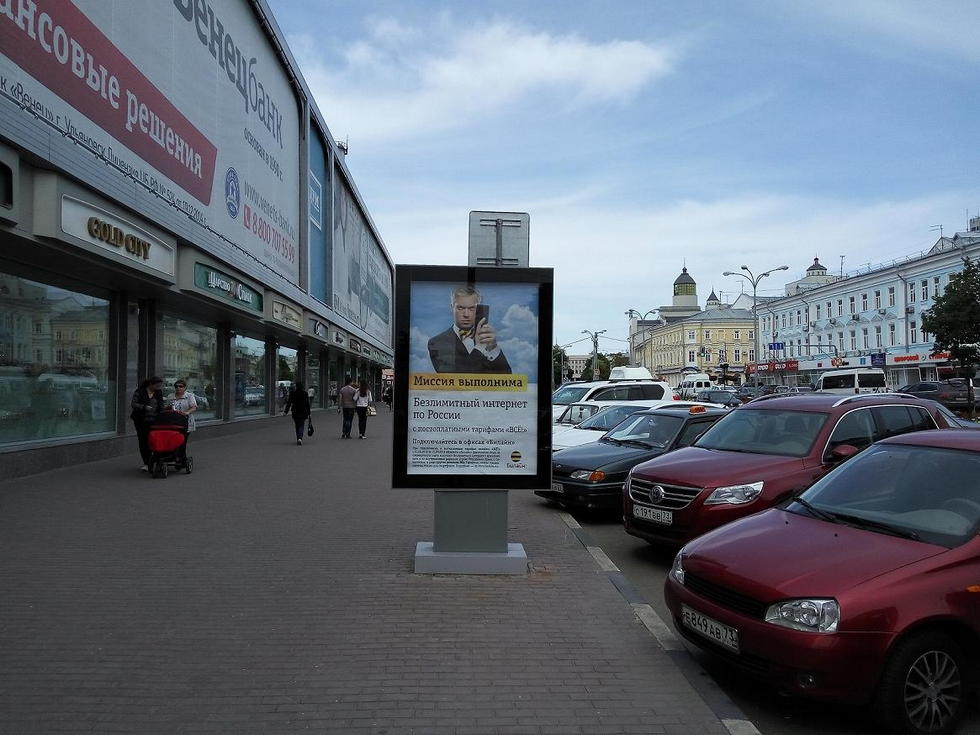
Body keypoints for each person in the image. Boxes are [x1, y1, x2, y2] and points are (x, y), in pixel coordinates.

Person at [427, 284, 511, 373]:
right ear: (452, 308)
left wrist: (493, 348)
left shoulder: (487, 339)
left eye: (472, 308)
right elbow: (457, 380)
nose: (466, 314)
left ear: (479, 309)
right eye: (460, 308)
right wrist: (480, 347)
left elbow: (508, 378)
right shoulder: (437, 342)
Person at [130, 376, 164, 471]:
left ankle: (155, 460)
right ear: (150, 384)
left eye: (159, 386)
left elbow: (161, 405)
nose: (158, 387)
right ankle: (146, 462)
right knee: (143, 441)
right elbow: (133, 404)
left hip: (154, 420)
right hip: (140, 420)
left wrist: (162, 414)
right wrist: (144, 407)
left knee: (153, 440)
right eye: (157, 385)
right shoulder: (139, 392)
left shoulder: (158, 392)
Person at [168, 379, 198, 465]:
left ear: (185, 387)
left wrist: (187, 412)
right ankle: (173, 457)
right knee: (173, 441)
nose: (178, 388)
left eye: (180, 386)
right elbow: (167, 407)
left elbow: (194, 407)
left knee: (182, 442)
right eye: (176, 386)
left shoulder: (189, 396)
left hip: (186, 422)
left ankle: (182, 459)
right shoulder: (171, 396)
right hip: (173, 423)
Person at [283, 381, 311, 445]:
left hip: (295, 411)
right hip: (303, 411)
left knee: (297, 425)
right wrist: (309, 413)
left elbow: (289, 403)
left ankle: (298, 437)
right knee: (301, 424)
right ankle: (300, 438)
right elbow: (307, 404)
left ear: (296, 386)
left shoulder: (292, 393)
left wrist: (285, 411)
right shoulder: (305, 393)